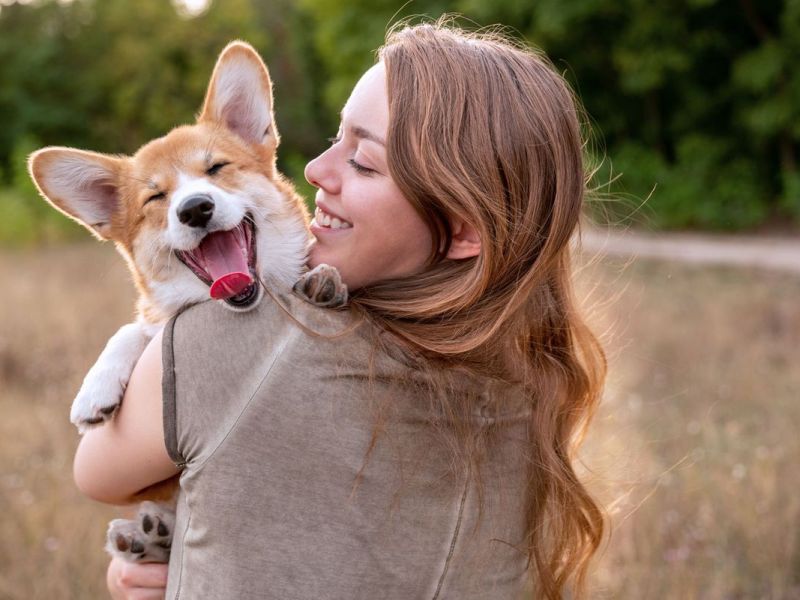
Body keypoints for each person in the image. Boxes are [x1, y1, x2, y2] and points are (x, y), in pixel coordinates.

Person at [74, 20, 606, 600]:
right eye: (336, 137)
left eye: (365, 162)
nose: (314, 170)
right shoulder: (533, 379)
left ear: (460, 228)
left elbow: (95, 473)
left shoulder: (226, 345)